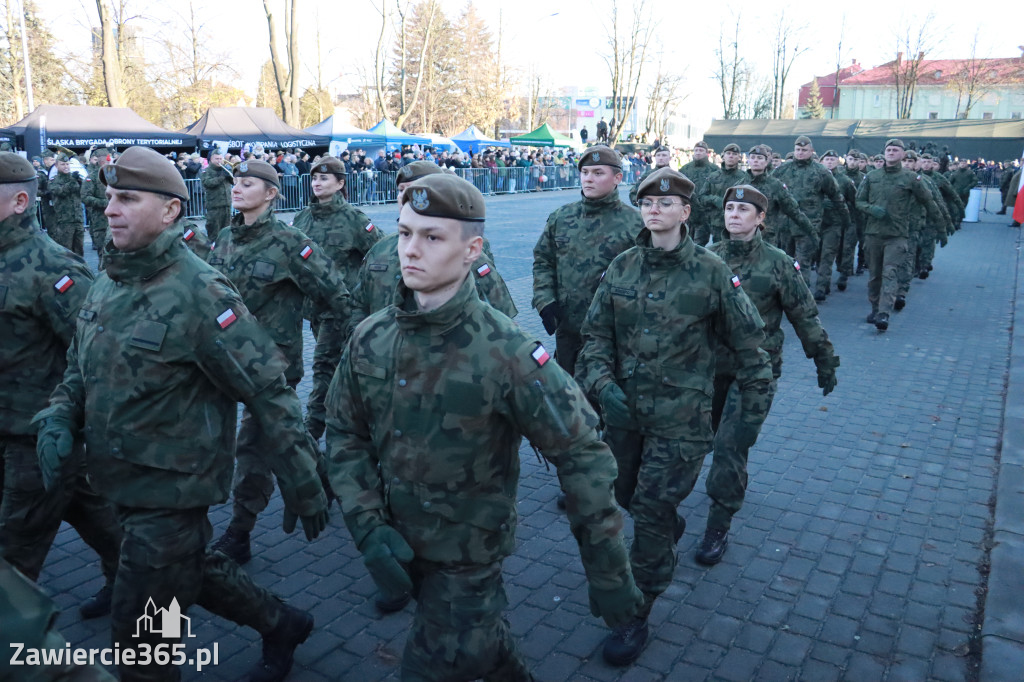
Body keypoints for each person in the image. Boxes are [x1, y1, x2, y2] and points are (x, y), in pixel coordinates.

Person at [325, 173, 642, 680]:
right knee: (487, 655)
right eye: (405, 232)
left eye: (432, 237)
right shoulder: (372, 335)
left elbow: (582, 454)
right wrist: (365, 521)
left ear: (472, 249)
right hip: (398, 533)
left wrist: (607, 570)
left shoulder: (507, 350)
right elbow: (344, 432)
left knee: (435, 664)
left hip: (468, 555)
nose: (411, 249)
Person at [34, 146, 329, 682]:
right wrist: (59, 413)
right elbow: (82, 362)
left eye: (127, 198)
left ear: (170, 211)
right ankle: (281, 622)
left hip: (173, 494)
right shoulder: (110, 278)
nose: (110, 209)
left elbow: (267, 389)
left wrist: (304, 476)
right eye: (108, 198)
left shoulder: (200, 291)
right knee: (191, 570)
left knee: (141, 647)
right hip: (117, 480)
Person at [576, 168, 772, 665]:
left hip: (681, 421)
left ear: (686, 212)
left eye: (666, 203)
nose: (654, 209)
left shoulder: (710, 272)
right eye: (646, 202)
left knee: (651, 511)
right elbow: (594, 338)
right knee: (623, 494)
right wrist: (601, 385)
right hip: (623, 415)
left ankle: (637, 612)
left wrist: (751, 408)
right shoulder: (621, 267)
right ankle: (663, 531)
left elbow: (752, 344)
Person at [207, 160, 350, 566]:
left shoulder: (291, 242)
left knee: (254, 447)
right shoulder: (224, 238)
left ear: (270, 194)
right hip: (224, 360)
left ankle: (240, 531)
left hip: (272, 366)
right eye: (236, 182)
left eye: (248, 184)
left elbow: (335, 292)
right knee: (285, 438)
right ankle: (325, 473)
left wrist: (355, 340)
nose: (237, 188)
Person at [0, 151, 122, 619]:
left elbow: (97, 349)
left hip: (38, 437)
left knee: (11, 560)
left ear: (19, 201)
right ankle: (136, 575)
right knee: (99, 516)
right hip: (10, 431)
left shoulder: (52, 266)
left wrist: (83, 423)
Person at [699, 184, 838, 564]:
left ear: (761, 218)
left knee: (730, 446)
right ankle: (728, 483)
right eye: (730, 208)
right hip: (711, 372)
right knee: (707, 440)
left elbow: (804, 315)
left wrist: (823, 358)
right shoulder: (707, 258)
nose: (734, 215)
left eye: (744, 210)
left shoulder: (778, 263)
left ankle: (718, 525)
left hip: (754, 373)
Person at [291, 156, 383, 441]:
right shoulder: (303, 217)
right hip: (314, 309)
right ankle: (356, 421)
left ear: (340, 184)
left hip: (342, 309)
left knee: (323, 367)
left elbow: (381, 254)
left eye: (324, 178)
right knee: (341, 369)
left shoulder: (354, 219)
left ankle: (312, 431)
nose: (317, 183)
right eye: (315, 178)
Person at [532, 145, 643, 377]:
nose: (588, 179)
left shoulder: (635, 224)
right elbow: (543, 259)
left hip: (613, 333)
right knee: (568, 398)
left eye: (598, 173)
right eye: (585, 173)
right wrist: (544, 300)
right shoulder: (562, 217)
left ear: (617, 178)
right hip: (568, 328)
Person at [856, 139, 944, 331]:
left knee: (890, 272)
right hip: (873, 234)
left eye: (896, 150)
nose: (891, 153)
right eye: (888, 149)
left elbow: (928, 202)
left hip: (897, 235)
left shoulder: (910, 178)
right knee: (874, 275)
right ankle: (874, 307)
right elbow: (859, 201)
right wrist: (871, 209)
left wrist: (942, 228)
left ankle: (884, 313)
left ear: (903, 154)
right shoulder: (872, 176)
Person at [771, 136, 850, 287]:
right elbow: (770, 192)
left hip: (808, 226)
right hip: (785, 225)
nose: (800, 153)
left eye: (804, 150)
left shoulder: (821, 172)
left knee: (802, 264)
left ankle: (802, 300)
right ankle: (785, 296)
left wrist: (845, 220)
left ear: (812, 151)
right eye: (798, 150)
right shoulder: (782, 170)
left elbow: (836, 196)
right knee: (785, 262)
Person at [743, 144, 814, 253]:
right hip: (744, 236)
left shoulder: (775, 185)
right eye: (753, 158)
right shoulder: (740, 185)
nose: (756, 161)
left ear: (766, 162)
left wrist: (811, 231)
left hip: (767, 238)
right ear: (748, 161)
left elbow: (793, 211)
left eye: (760, 158)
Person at [815, 150, 858, 301]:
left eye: (833, 159)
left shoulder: (845, 181)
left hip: (834, 224)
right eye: (827, 159)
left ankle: (821, 287)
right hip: (815, 223)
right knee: (817, 256)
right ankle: (823, 283)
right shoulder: (814, 177)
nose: (830, 161)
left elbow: (854, 200)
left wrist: (842, 211)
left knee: (828, 255)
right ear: (822, 161)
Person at [697, 143, 753, 244]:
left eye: (734, 154)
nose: (731, 156)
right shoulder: (713, 176)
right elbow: (701, 197)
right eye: (728, 153)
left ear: (739, 158)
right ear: (723, 156)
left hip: (738, 223)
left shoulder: (744, 178)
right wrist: (714, 199)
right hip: (717, 224)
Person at [679, 141, 719, 246]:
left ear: (706, 153)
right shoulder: (685, 169)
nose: (698, 152)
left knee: (699, 245)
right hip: (688, 214)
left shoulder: (714, 170)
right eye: (696, 150)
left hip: (705, 214)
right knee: (685, 242)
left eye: (701, 150)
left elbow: (717, 191)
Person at [47, 154, 84, 255]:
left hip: (78, 219)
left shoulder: (76, 179)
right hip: (64, 221)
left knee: (79, 250)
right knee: (66, 250)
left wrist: (80, 182)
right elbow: (61, 192)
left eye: (67, 164)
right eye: (63, 164)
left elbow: (82, 193)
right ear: (56, 166)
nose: (66, 166)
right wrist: (73, 180)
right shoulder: (53, 181)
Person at [81, 148, 111, 262]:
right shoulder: (92, 177)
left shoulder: (114, 175)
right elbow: (85, 197)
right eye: (105, 159)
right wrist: (105, 203)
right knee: (103, 256)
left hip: (116, 222)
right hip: (100, 222)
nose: (107, 161)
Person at [200, 151, 233, 235]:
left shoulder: (224, 169)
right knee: (214, 230)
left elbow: (233, 182)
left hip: (227, 205)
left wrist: (230, 174)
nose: (219, 161)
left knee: (227, 231)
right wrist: (221, 177)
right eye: (217, 159)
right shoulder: (207, 171)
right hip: (214, 206)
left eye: (220, 158)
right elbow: (208, 183)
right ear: (211, 159)